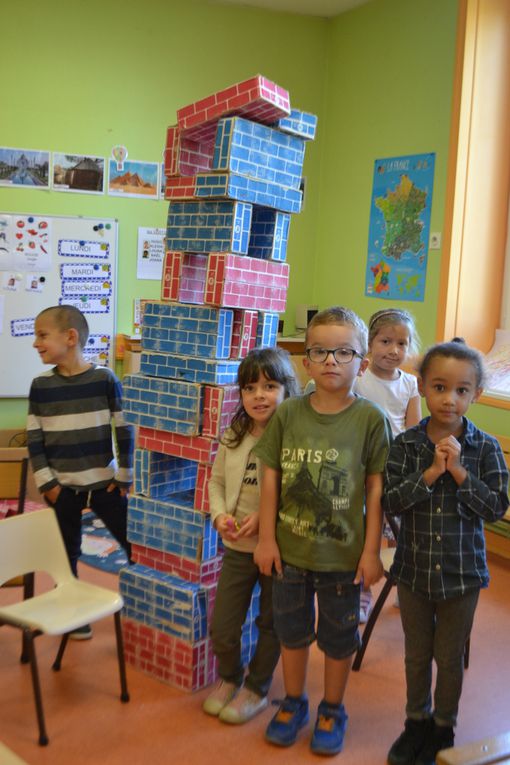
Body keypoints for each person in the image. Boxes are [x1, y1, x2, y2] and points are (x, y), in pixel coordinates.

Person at [254, 306, 392, 755]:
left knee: (337, 639)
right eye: (320, 351)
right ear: (306, 361)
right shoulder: (289, 413)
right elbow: (271, 475)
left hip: (343, 559)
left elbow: (375, 490)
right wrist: (266, 538)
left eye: (343, 351)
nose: (331, 359)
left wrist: (371, 552)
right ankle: (294, 702)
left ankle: (333, 707)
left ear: (362, 363)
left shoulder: (371, 419)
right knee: (291, 633)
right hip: (289, 554)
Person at [383, 339, 509, 765]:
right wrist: (432, 472)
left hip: (463, 575)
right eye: (439, 387)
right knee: (417, 654)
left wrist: (457, 473)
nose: (449, 399)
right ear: (421, 387)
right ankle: (415, 721)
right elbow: (391, 502)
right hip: (415, 571)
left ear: (476, 394)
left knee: (449, 657)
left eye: (461, 390)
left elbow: (495, 507)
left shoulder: (486, 448)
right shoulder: (405, 446)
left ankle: (443, 726)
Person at [203, 347, 301, 724]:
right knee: (224, 625)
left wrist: (264, 521)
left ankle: (257, 688)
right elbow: (216, 481)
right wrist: (219, 515)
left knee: (271, 622)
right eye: (250, 388)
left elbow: (295, 491)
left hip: (279, 549)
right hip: (237, 547)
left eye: (270, 386)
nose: (259, 395)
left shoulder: (293, 437)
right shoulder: (234, 434)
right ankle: (230, 678)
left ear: (286, 389)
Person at [27, 305, 134, 640]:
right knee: (66, 554)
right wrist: (48, 483)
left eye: (42, 335)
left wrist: (125, 474)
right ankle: (73, 613)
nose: (35, 343)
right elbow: (34, 438)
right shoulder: (40, 386)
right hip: (64, 489)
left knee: (133, 543)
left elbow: (124, 428)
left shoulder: (105, 380)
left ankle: (141, 605)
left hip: (106, 485)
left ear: (70, 337)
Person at [355, 308, 421, 621]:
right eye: (385, 341)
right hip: (363, 468)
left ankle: (406, 589)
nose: (394, 350)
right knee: (362, 535)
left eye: (402, 343)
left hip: (396, 470)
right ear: (369, 342)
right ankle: (361, 593)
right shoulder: (359, 377)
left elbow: (413, 431)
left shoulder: (409, 383)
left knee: (404, 535)